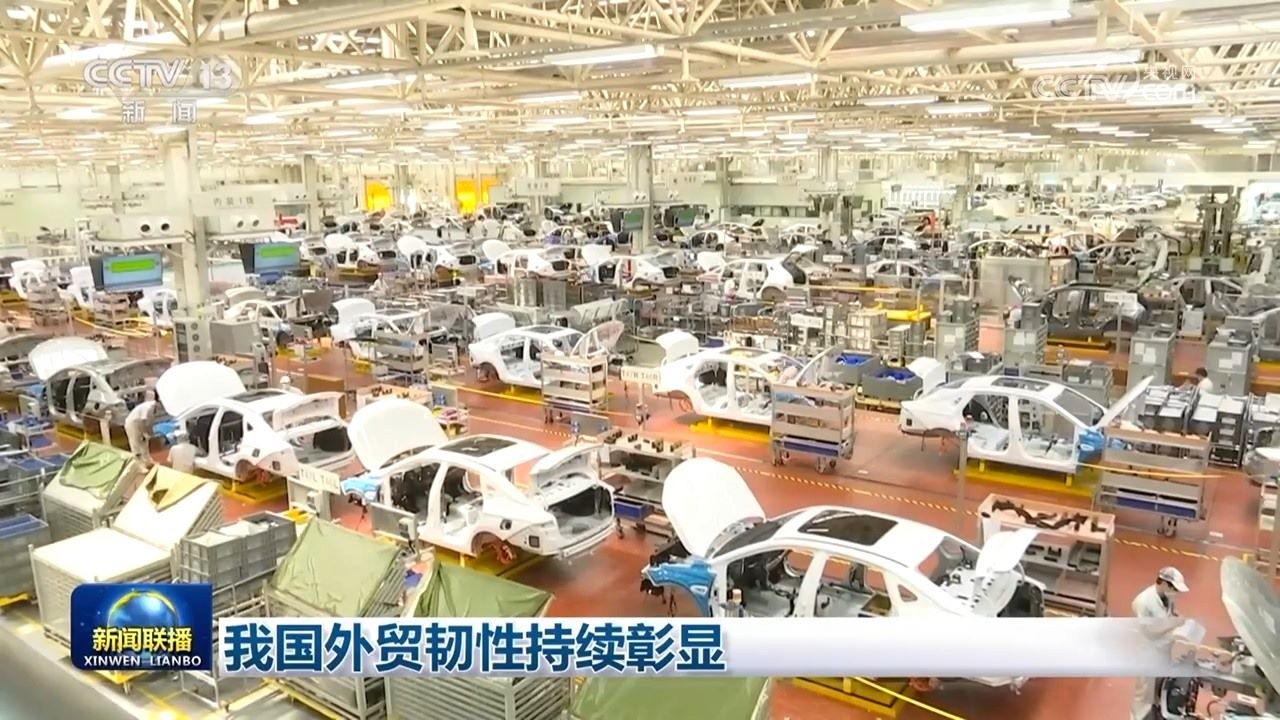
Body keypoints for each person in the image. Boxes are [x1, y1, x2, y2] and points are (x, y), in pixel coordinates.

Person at [1130, 566, 1190, 720]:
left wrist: (1177, 619)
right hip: (1147, 655)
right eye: (1174, 589)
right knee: (1144, 697)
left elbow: (1169, 615)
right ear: (1163, 583)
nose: (1176, 593)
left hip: (1162, 653)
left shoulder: (1166, 596)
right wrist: (1174, 624)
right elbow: (1150, 631)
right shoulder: (1143, 602)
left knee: (1158, 692)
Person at [123, 387, 160, 465]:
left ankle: (148, 461)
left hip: (139, 423)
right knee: (136, 443)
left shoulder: (154, 409)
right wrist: (146, 433)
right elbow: (144, 421)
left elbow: (148, 423)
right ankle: (139, 464)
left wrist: (149, 433)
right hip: (132, 423)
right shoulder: (149, 407)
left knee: (144, 443)